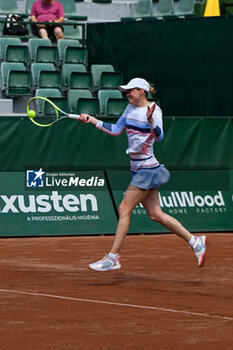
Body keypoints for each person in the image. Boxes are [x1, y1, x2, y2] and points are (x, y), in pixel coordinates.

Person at [79, 78, 207, 272]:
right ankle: (195, 241)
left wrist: (150, 122)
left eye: (130, 91)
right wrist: (93, 120)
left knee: (124, 209)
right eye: (126, 91)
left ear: (141, 91)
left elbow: (159, 137)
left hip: (147, 168)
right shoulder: (129, 109)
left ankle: (113, 257)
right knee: (156, 214)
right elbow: (115, 130)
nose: (127, 94)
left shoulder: (155, 111)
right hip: (137, 168)